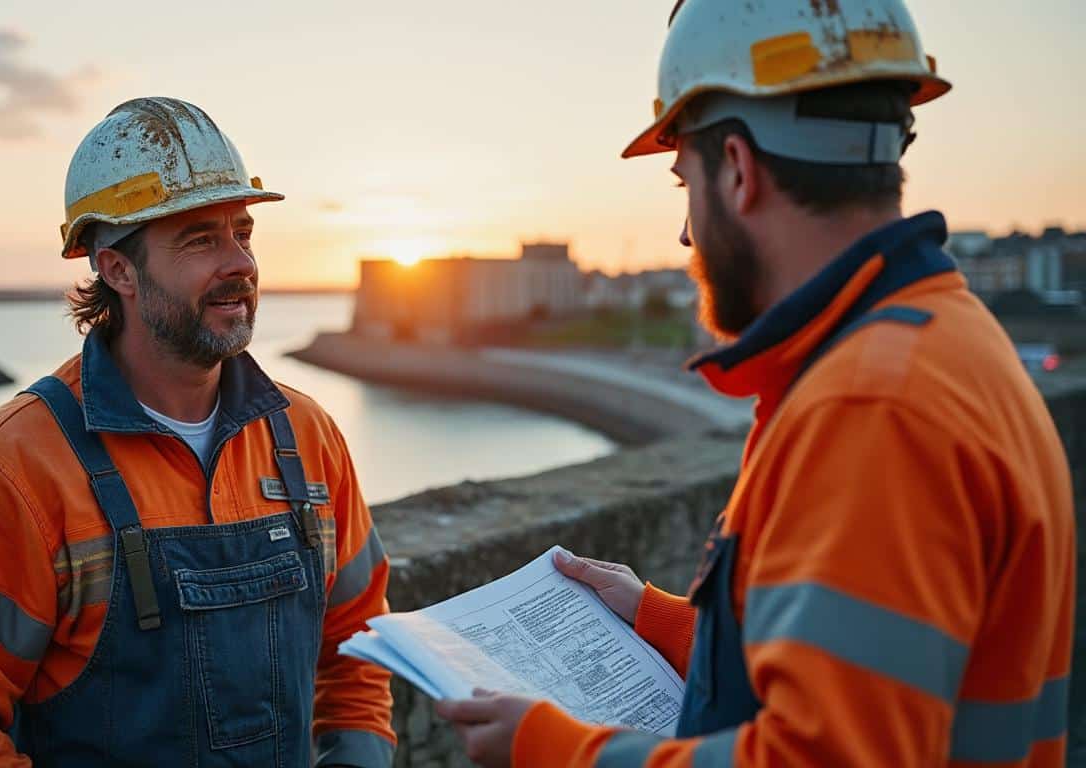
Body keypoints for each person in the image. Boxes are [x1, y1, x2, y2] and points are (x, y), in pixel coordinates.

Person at [435, 1, 1075, 766]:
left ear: (736, 170)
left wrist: (553, 748)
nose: (683, 234)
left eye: (683, 184)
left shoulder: (871, 406)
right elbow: (859, 671)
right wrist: (659, 622)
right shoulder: (945, 337)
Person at [0, 97, 396, 767]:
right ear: (116, 268)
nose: (240, 262)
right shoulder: (14, 466)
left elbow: (359, 645)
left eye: (243, 231)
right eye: (201, 239)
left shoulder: (308, 436)